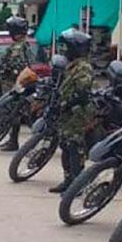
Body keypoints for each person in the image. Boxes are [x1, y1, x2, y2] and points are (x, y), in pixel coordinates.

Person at [49, 28, 95, 194]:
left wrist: (67, 103)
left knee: (75, 149)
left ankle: (77, 185)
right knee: (66, 147)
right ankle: (68, 180)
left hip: (77, 115)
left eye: (67, 47)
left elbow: (82, 92)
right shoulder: (71, 66)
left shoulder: (83, 67)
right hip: (67, 114)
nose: (64, 51)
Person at [0, 16, 32, 151]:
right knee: (15, 113)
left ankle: (14, 141)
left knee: (15, 113)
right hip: (15, 82)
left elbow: (19, 64)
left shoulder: (21, 45)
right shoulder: (21, 44)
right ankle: (12, 140)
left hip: (16, 82)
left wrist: (6, 67)